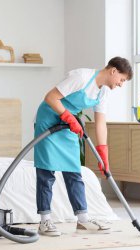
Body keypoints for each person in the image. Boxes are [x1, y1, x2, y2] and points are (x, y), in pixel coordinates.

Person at [34, 56, 133, 236]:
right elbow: (51, 98)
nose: (121, 84)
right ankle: (45, 221)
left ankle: (83, 219)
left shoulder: (103, 92)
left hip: (68, 124)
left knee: (74, 172)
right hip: (49, 120)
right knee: (46, 172)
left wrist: (103, 153)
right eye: (122, 79)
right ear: (113, 71)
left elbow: (100, 122)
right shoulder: (81, 77)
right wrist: (70, 118)